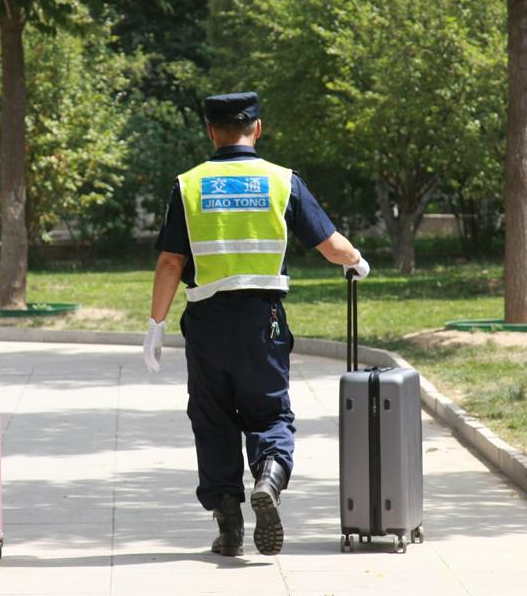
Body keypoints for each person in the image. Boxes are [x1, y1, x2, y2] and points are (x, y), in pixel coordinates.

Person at [144, 92, 369, 557]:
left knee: (213, 419)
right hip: (263, 321)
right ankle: (269, 476)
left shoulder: (188, 185)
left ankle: (229, 529)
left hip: (207, 321)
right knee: (268, 413)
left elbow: (170, 262)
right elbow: (331, 245)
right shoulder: (282, 181)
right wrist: (356, 261)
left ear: (211, 131)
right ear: (258, 128)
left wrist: (155, 324)